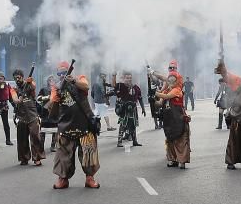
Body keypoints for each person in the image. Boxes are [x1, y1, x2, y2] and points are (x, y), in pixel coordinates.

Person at [49, 61, 99, 189]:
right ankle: (63, 179)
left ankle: (89, 178)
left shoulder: (79, 78)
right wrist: (56, 98)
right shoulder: (56, 87)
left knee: (88, 153)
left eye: (64, 73)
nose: (62, 75)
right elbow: (52, 107)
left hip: (85, 125)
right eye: (59, 73)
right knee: (63, 156)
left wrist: (73, 81)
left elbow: (86, 86)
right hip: (66, 126)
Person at [11, 68, 45, 166]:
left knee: (35, 136)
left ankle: (37, 158)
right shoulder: (13, 89)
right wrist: (18, 99)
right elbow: (15, 100)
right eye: (15, 78)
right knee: (21, 138)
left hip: (32, 114)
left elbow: (33, 87)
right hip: (21, 116)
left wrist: (30, 82)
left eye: (18, 77)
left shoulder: (29, 84)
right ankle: (24, 158)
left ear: (22, 77)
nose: (17, 79)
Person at [157, 71, 190, 168]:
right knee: (170, 139)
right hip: (169, 120)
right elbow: (159, 103)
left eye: (173, 80)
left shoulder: (177, 90)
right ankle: (172, 159)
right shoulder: (166, 90)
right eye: (169, 79)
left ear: (176, 81)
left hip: (179, 119)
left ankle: (182, 161)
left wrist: (156, 93)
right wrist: (153, 98)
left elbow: (166, 96)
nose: (170, 81)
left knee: (180, 140)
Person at [107, 72, 144, 148]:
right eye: (127, 78)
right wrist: (114, 75)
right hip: (124, 108)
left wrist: (143, 108)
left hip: (133, 109)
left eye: (130, 78)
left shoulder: (136, 87)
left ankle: (135, 141)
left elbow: (140, 98)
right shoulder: (121, 86)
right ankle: (119, 142)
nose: (129, 79)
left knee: (133, 125)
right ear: (124, 78)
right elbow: (113, 85)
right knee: (123, 125)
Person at [0, 71, 15, 146]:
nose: (0, 78)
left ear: (4, 78)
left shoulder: (7, 85)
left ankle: (8, 140)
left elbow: (10, 96)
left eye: (2, 77)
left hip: (4, 105)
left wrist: (15, 106)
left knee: (6, 123)